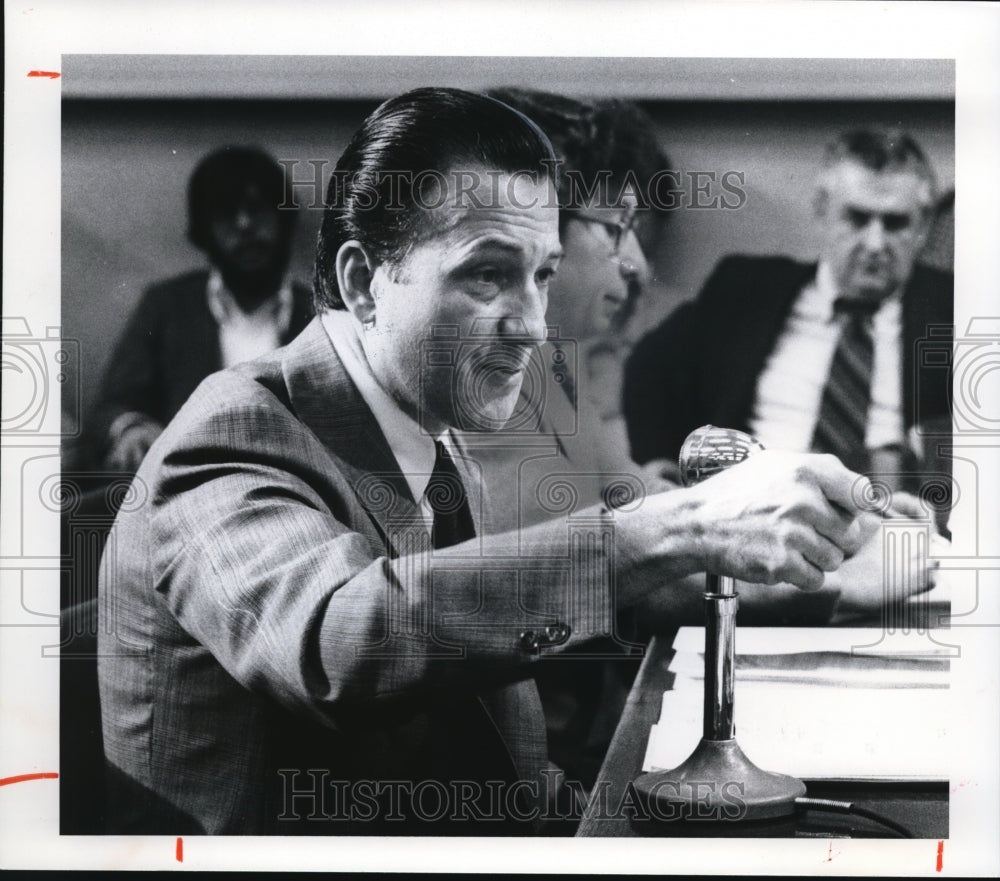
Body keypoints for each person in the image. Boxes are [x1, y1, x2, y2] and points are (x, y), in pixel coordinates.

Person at [98, 88, 878, 836]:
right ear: (364, 284)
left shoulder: (429, 423)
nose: (534, 326)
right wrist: (673, 526)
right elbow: (341, 641)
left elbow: (490, 724)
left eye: (542, 273)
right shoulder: (231, 433)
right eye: (488, 273)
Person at [624, 130, 953, 495]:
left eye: (895, 224)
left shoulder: (955, 309)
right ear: (821, 210)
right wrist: (660, 463)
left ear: (923, 226)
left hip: (888, 512)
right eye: (857, 219)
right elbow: (648, 371)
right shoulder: (745, 288)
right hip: (753, 506)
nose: (875, 244)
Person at [90, 145, 314, 473]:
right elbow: (111, 405)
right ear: (204, 229)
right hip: (188, 488)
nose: (245, 225)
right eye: (226, 213)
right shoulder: (167, 306)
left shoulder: (320, 312)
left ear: (284, 219)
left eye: (258, 209)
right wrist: (132, 429)